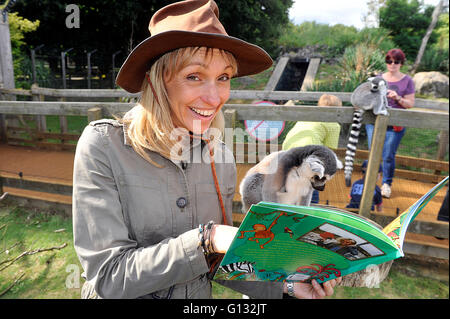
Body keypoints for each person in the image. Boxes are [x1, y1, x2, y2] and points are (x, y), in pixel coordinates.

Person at [72, 0, 340, 299]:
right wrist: (205, 239)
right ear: (156, 80)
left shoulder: (219, 156)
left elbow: (216, 262)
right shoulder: (104, 145)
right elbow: (109, 277)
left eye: (223, 78)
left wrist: (284, 285)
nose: (214, 98)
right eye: (194, 76)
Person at [365, 48, 415, 199]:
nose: (392, 64)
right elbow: (369, 98)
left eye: (396, 62)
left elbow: (410, 104)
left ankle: (386, 183)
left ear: (401, 63)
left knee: (388, 155)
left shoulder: (407, 81)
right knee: (373, 152)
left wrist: (398, 98)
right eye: (389, 61)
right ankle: (373, 180)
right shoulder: (378, 78)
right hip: (375, 122)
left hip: (395, 125)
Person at [282, 94, 342, 204]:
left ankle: (285, 208)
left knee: (291, 182)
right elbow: (329, 151)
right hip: (309, 154)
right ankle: (310, 206)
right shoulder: (333, 124)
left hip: (288, 149)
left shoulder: (308, 116)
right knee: (313, 181)